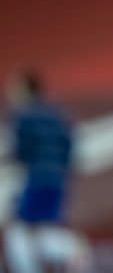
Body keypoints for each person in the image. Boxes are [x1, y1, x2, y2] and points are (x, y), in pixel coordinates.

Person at [3, 70, 73, 273]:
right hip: (57, 181)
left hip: (35, 179)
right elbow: (68, 147)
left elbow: (20, 151)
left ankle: (73, 248)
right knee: (42, 231)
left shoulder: (23, 116)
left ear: (25, 89)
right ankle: (72, 249)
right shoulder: (57, 114)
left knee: (18, 233)